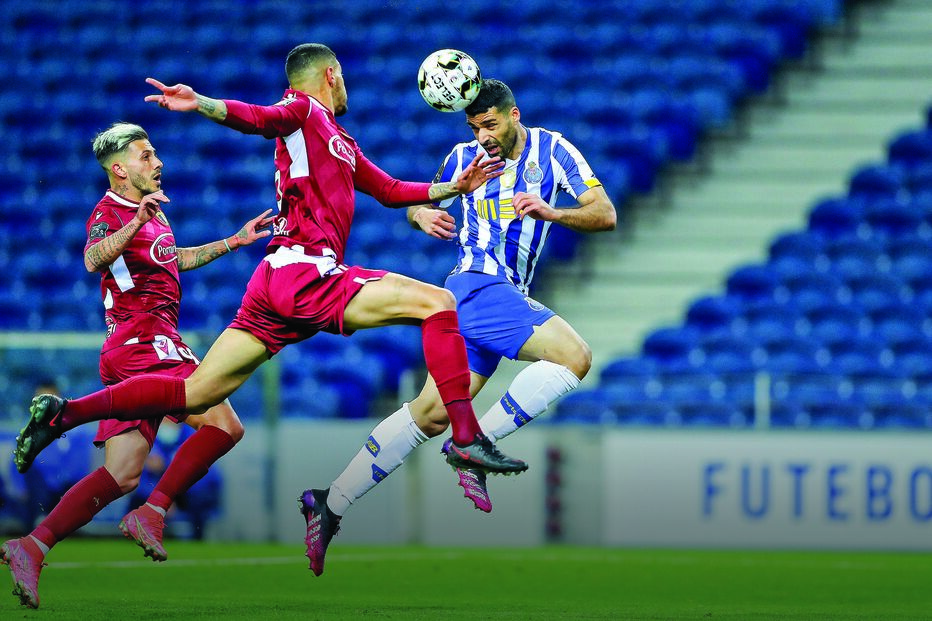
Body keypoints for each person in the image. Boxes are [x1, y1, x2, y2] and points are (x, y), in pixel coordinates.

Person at [15, 43, 527, 578]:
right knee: (438, 302)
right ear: (331, 75)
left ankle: (66, 417)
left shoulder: (339, 139)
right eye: (343, 78)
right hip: (305, 270)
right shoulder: (303, 111)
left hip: (273, 281)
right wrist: (202, 103)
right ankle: (465, 438)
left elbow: (391, 190)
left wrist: (454, 186)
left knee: (198, 396)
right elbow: (260, 119)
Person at [307, 78, 615, 529]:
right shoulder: (461, 157)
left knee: (430, 415)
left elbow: (604, 213)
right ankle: (474, 445)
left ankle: (331, 501)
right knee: (575, 357)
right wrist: (421, 215)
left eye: (490, 125)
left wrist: (554, 212)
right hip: (476, 284)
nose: (482, 137)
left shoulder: (553, 151)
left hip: (500, 295)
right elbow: (418, 201)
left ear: (514, 115)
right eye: (474, 128)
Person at [1, 122, 272, 609]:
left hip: (134, 349)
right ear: (119, 169)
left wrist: (233, 241)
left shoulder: (154, 213)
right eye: (146, 155)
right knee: (224, 425)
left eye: (155, 153)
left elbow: (173, 259)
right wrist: (134, 221)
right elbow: (93, 258)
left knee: (122, 474)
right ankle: (150, 506)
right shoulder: (109, 211)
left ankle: (33, 546)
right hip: (144, 339)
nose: (158, 162)